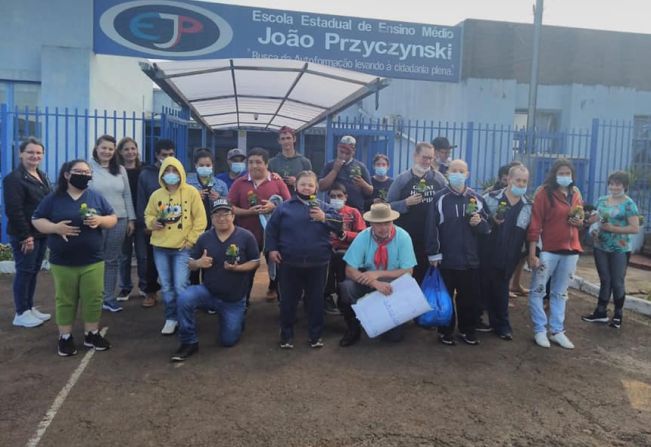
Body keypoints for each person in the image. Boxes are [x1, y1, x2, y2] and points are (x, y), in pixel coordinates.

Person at [32, 160, 116, 356]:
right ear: (67, 175)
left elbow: (112, 218)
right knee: (65, 299)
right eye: (79, 172)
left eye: (87, 172)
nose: (84, 175)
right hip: (63, 261)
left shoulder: (95, 197)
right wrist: (55, 228)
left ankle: (91, 334)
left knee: (94, 298)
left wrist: (100, 220)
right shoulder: (54, 198)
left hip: (93, 260)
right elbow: (37, 219)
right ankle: (65, 337)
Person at [171, 199, 260, 362]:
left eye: (226, 214)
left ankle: (237, 320)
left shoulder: (246, 236)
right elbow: (190, 263)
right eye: (217, 215)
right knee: (184, 298)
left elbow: (256, 261)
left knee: (228, 341)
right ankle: (188, 341)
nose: (222, 218)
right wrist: (198, 263)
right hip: (209, 292)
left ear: (233, 216)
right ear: (212, 218)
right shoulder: (205, 237)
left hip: (233, 299)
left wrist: (238, 268)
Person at [266, 171, 342, 349]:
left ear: (316, 187)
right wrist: (272, 249)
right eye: (303, 184)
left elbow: (339, 225)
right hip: (289, 263)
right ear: (296, 186)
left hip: (318, 263)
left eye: (310, 185)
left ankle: (315, 336)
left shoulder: (324, 207)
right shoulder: (284, 208)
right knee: (288, 301)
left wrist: (324, 218)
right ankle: (286, 335)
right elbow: (271, 231)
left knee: (316, 300)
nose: (306, 188)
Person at [425, 159, 490, 346]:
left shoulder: (477, 199)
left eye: (462, 171)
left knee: (468, 298)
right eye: (454, 170)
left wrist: (480, 224)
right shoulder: (439, 198)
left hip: (470, 260)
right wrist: (433, 253)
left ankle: (467, 330)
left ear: (468, 174)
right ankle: (445, 331)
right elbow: (432, 227)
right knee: (445, 297)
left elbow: (488, 228)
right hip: (446, 259)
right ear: (447, 173)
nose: (458, 174)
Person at [338, 203, 417, 347]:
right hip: (368, 280)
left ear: (392, 221)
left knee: (393, 337)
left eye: (387, 223)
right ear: (371, 223)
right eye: (379, 224)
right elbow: (349, 270)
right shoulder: (363, 237)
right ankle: (353, 329)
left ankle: (390, 320)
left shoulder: (403, 237)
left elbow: (408, 271)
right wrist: (374, 282)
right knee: (346, 287)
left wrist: (377, 274)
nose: (384, 228)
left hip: (393, 282)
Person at [144, 157, 207, 335]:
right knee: (166, 286)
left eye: (174, 171)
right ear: (162, 174)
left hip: (183, 248)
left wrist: (191, 240)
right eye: (167, 171)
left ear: (181, 172)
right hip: (160, 247)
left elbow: (201, 220)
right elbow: (148, 215)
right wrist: (152, 222)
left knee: (181, 285)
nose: (171, 175)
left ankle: (185, 318)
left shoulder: (191, 192)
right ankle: (171, 318)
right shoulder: (156, 195)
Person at [527, 158, 584, 349]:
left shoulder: (575, 193)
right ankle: (540, 330)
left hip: (571, 249)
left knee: (560, 292)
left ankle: (557, 330)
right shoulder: (544, 193)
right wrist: (532, 252)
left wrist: (579, 221)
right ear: (554, 174)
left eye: (568, 173)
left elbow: (580, 216)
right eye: (561, 173)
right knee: (538, 290)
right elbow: (535, 223)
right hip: (548, 250)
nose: (565, 176)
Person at [228, 147, 291, 301]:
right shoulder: (239, 182)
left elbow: (289, 205)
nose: (254, 166)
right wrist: (249, 212)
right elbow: (230, 208)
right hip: (247, 234)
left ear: (267, 164)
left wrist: (274, 207)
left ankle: (274, 289)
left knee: (276, 264)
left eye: (258, 162)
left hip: (274, 235)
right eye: (250, 162)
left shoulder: (277, 182)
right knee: (246, 269)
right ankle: (243, 301)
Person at [2, 137, 52, 328]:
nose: (35, 156)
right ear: (21, 153)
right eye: (30, 152)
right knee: (24, 272)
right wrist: (25, 236)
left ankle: (29, 308)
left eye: (38, 153)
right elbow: (14, 210)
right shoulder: (13, 179)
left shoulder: (41, 174)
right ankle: (21, 312)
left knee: (32, 271)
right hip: (25, 234)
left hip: (40, 232)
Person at [582, 171, 640, 328]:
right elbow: (600, 218)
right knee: (605, 279)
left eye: (618, 184)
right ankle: (600, 312)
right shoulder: (602, 200)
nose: (614, 187)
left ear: (625, 186)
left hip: (620, 248)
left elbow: (634, 228)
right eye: (612, 184)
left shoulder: (629, 204)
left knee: (617, 281)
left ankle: (618, 314)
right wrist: (594, 226)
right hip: (601, 245)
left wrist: (613, 228)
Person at [480, 165, 532, 340]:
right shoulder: (490, 198)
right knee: (483, 287)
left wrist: (532, 253)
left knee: (502, 288)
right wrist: (489, 221)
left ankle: (501, 325)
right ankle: (476, 320)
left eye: (525, 181)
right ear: (509, 180)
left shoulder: (528, 206)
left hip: (510, 255)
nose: (521, 184)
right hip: (487, 252)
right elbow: (478, 219)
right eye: (518, 180)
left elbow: (530, 232)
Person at [388, 142, 447, 286]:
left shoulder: (439, 179)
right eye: (424, 157)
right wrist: (405, 203)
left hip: (432, 239)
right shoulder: (402, 180)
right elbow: (387, 207)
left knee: (427, 279)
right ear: (415, 156)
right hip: (407, 238)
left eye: (430, 158)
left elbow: (447, 203)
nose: (427, 162)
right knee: (407, 278)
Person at [89, 135, 136, 313]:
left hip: (120, 219)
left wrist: (131, 219)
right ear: (96, 148)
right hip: (96, 221)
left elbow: (127, 195)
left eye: (110, 149)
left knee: (112, 260)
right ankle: (94, 297)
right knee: (95, 259)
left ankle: (108, 298)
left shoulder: (120, 169)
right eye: (104, 148)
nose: (107, 152)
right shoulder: (88, 168)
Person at [137, 139, 175, 308]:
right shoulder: (146, 174)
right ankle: (150, 292)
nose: (167, 158)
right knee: (150, 260)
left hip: (175, 226)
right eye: (164, 155)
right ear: (156, 155)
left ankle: (174, 292)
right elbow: (141, 200)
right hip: (153, 225)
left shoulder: (177, 172)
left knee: (175, 260)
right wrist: (146, 224)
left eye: (171, 154)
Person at [324, 183, 366, 314]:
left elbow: (362, 235)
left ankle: (344, 300)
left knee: (342, 263)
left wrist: (345, 235)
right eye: (332, 196)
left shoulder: (353, 212)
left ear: (345, 197)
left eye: (339, 196)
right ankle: (327, 296)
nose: (336, 199)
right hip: (327, 250)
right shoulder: (324, 212)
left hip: (348, 250)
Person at [116, 137, 147, 302]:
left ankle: (144, 286)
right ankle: (125, 287)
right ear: (120, 152)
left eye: (133, 148)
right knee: (124, 256)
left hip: (142, 218)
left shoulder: (144, 170)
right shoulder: (116, 171)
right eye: (126, 149)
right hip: (124, 217)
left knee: (143, 255)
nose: (130, 152)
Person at [319, 135, 373, 212]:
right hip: (334, 210)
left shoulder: (360, 167)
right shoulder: (330, 165)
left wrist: (362, 183)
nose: (343, 155)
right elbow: (322, 187)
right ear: (337, 149)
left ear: (353, 152)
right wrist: (335, 170)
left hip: (356, 211)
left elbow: (370, 191)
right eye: (341, 152)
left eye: (347, 153)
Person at [186, 148, 229, 226]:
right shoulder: (187, 184)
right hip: (192, 225)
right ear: (195, 165)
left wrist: (219, 198)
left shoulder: (221, 185)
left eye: (208, 165)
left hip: (215, 226)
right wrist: (194, 197)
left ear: (212, 165)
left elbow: (229, 205)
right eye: (201, 165)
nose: (205, 167)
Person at [268, 126, 312, 190]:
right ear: (279, 141)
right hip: (277, 198)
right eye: (283, 139)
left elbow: (311, 186)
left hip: (298, 199)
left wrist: (297, 182)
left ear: (294, 139)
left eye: (288, 138)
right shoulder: (271, 163)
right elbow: (266, 184)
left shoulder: (305, 162)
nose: (286, 141)